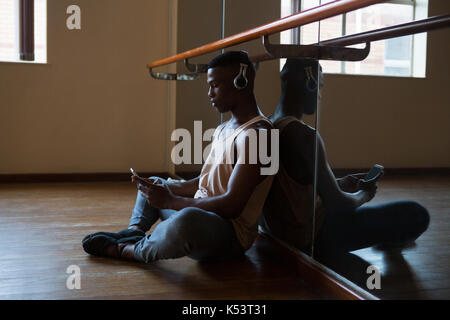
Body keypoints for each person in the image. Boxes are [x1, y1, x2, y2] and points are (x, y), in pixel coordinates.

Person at [82, 51, 275, 263]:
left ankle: (127, 251)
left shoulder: (261, 136)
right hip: (203, 213)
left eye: (215, 85)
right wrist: (163, 190)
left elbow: (232, 206)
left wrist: (171, 200)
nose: (209, 93)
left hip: (229, 235)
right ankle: (134, 233)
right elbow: (203, 183)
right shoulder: (224, 128)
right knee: (156, 184)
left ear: (241, 82)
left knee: (186, 221)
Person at [259, 58, 430, 261]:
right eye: (319, 87)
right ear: (310, 84)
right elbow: (338, 204)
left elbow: (291, 192)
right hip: (314, 238)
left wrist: (340, 183)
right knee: (416, 214)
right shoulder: (305, 136)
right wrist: (364, 194)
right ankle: (390, 239)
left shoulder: (266, 125)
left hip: (276, 232)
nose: (319, 96)